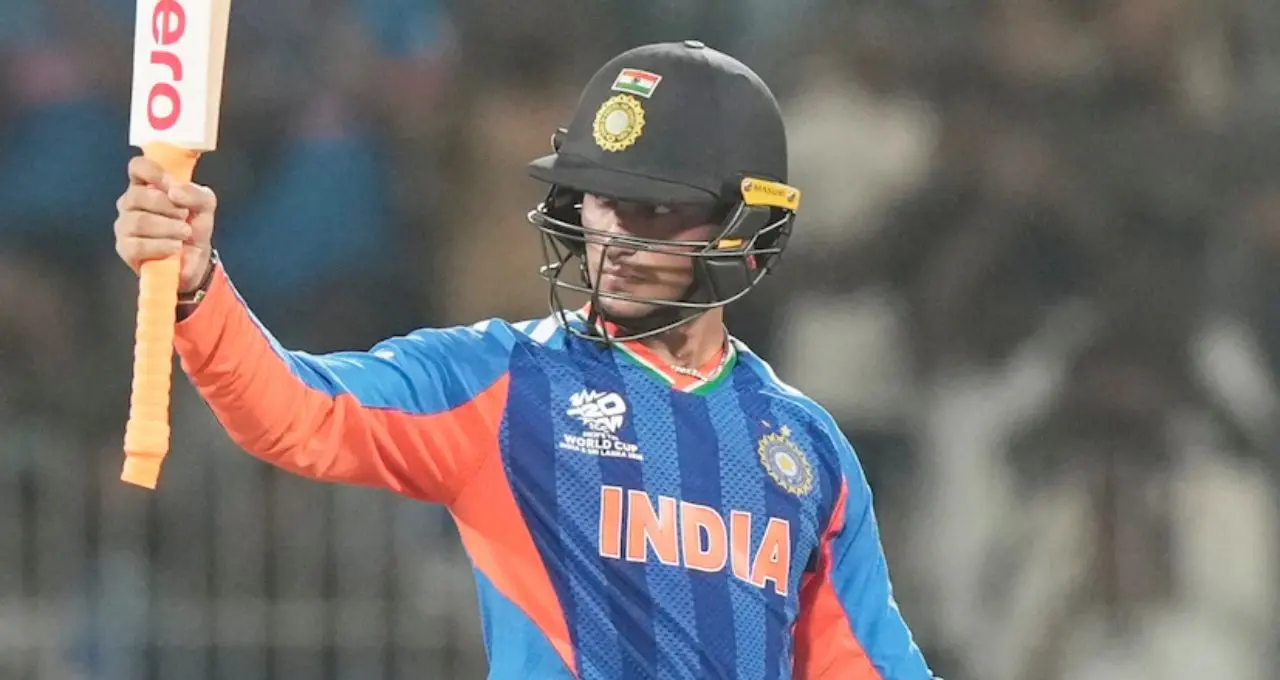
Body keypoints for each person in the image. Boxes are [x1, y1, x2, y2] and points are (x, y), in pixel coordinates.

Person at [113, 40, 937, 680]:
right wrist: (197, 284)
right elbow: (295, 411)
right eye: (601, 201)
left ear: (746, 226)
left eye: (655, 209)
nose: (613, 237)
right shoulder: (502, 382)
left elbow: (868, 665)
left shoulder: (809, 449)